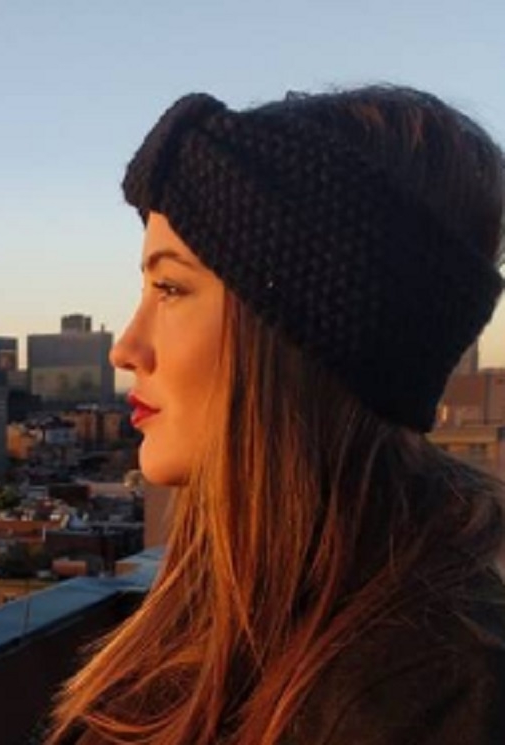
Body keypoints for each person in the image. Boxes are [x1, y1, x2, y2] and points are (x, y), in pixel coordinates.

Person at [45, 87, 505, 744]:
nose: (126, 347)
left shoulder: (430, 698)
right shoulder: (234, 598)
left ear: (307, 339)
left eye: (170, 287)